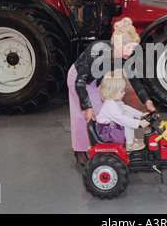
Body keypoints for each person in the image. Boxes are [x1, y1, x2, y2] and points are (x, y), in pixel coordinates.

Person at [67, 18, 157, 165]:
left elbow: (135, 80)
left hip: (96, 81)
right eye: (129, 48)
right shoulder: (98, 50)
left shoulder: (126, 56)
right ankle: (80, 151)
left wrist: (148, 101)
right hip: (78, 78)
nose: (132, 52)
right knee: (83, 115)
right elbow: (80, 82)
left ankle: (100, 147)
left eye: (134, 48)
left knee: (102, 113)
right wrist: (87, 107)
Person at [96, 73, 150, 151]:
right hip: (107, 132)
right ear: (112, 93)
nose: (124, 93)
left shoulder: (115, 102)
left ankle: (131, 139)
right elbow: (121, 120)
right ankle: (130, 143)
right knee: (125, 120)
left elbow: (127, 108)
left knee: (128, 113)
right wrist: (139, 123)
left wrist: (140, 115)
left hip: (111, 127)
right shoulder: (110, 106)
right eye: (121, 91)